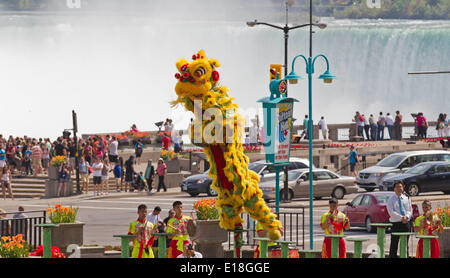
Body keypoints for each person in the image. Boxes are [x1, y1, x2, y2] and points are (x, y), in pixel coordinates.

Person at [386, 181, 413, 258]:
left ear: (403, 188)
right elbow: (391, 212)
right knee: (394, 244)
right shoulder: (391, 199)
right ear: (394, 189)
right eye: (397, 187)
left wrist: (407, 217)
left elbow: (409, 210)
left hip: (405, 223)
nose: (399, 188)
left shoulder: (406, 198)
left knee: (405, 244)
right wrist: (401, 217)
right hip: (396, 224)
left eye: (400, 187)